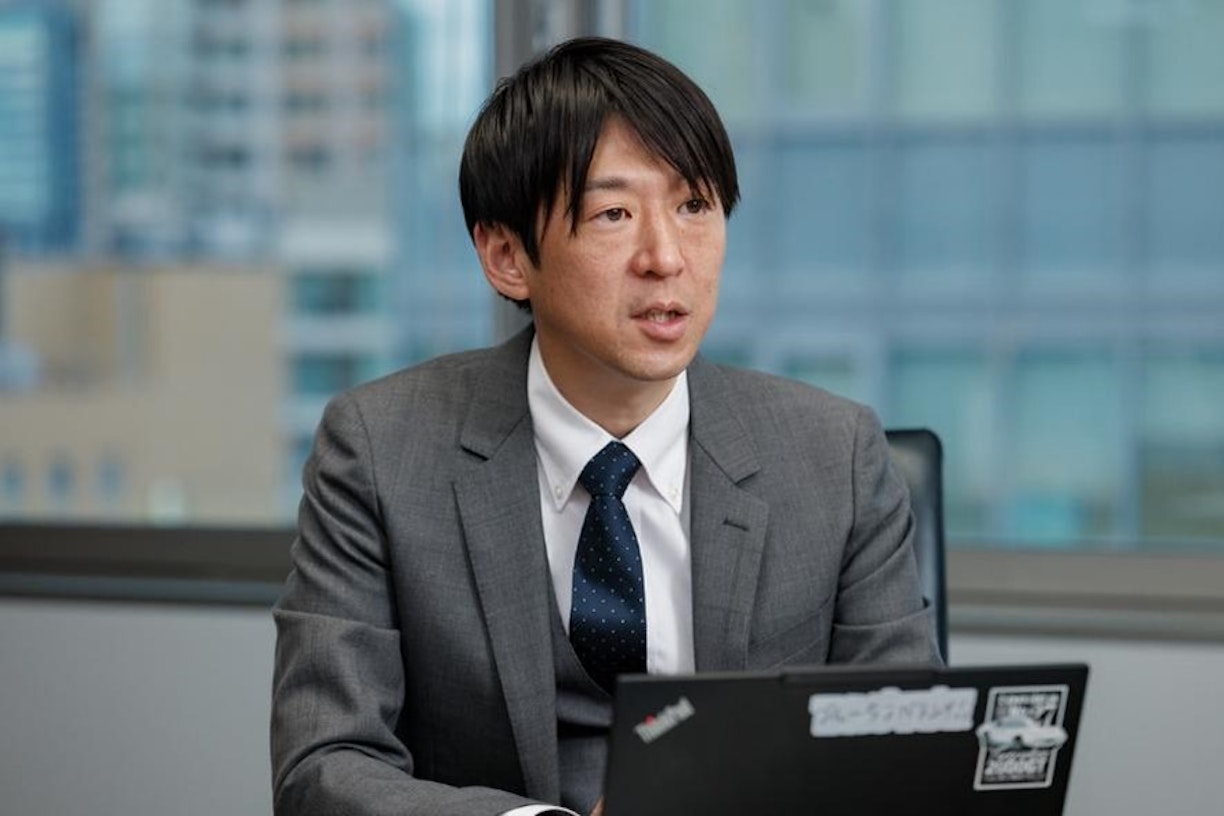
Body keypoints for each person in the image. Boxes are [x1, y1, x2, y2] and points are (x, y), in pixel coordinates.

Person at [271, 36, 940, 816]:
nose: (666, 257)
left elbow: (909, 755)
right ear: (506, 255)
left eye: (694, 206)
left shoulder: (836, 456)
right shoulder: (381, 451)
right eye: (614, 213)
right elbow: (324, 765)